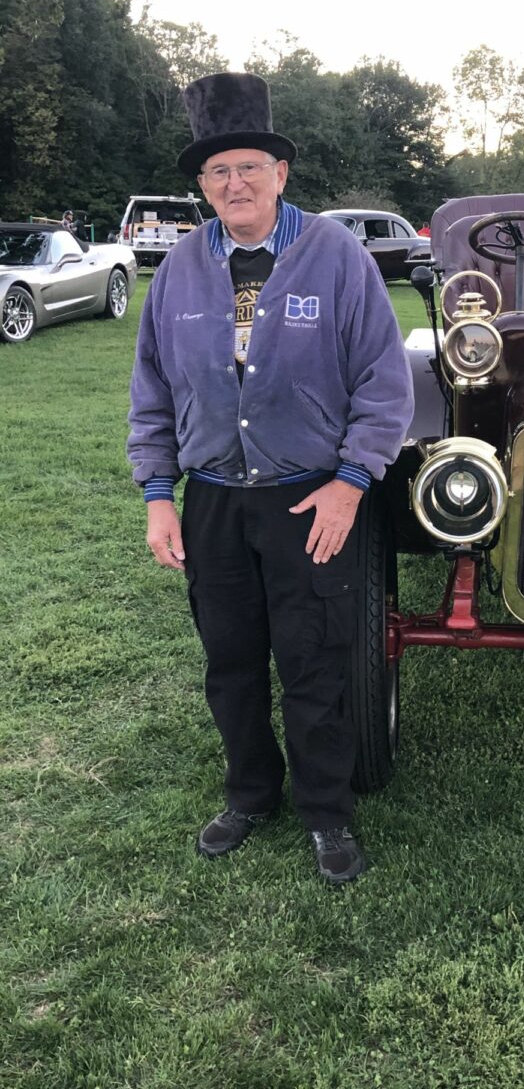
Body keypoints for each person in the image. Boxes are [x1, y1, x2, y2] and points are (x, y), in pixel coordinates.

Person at [127, 72, 414, 885]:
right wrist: (158, 496)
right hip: (215, 500)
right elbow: (151, 391)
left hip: (309, 499)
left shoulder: (337, 256)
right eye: (218, 172)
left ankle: (327, 813)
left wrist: (353, 481)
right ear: (202, 185)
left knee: (315, 662)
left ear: (280, 173)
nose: (234, 183)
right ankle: (251, 793)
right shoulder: (179, 269)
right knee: (231, 661)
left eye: (248, 166)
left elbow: (385, 386)